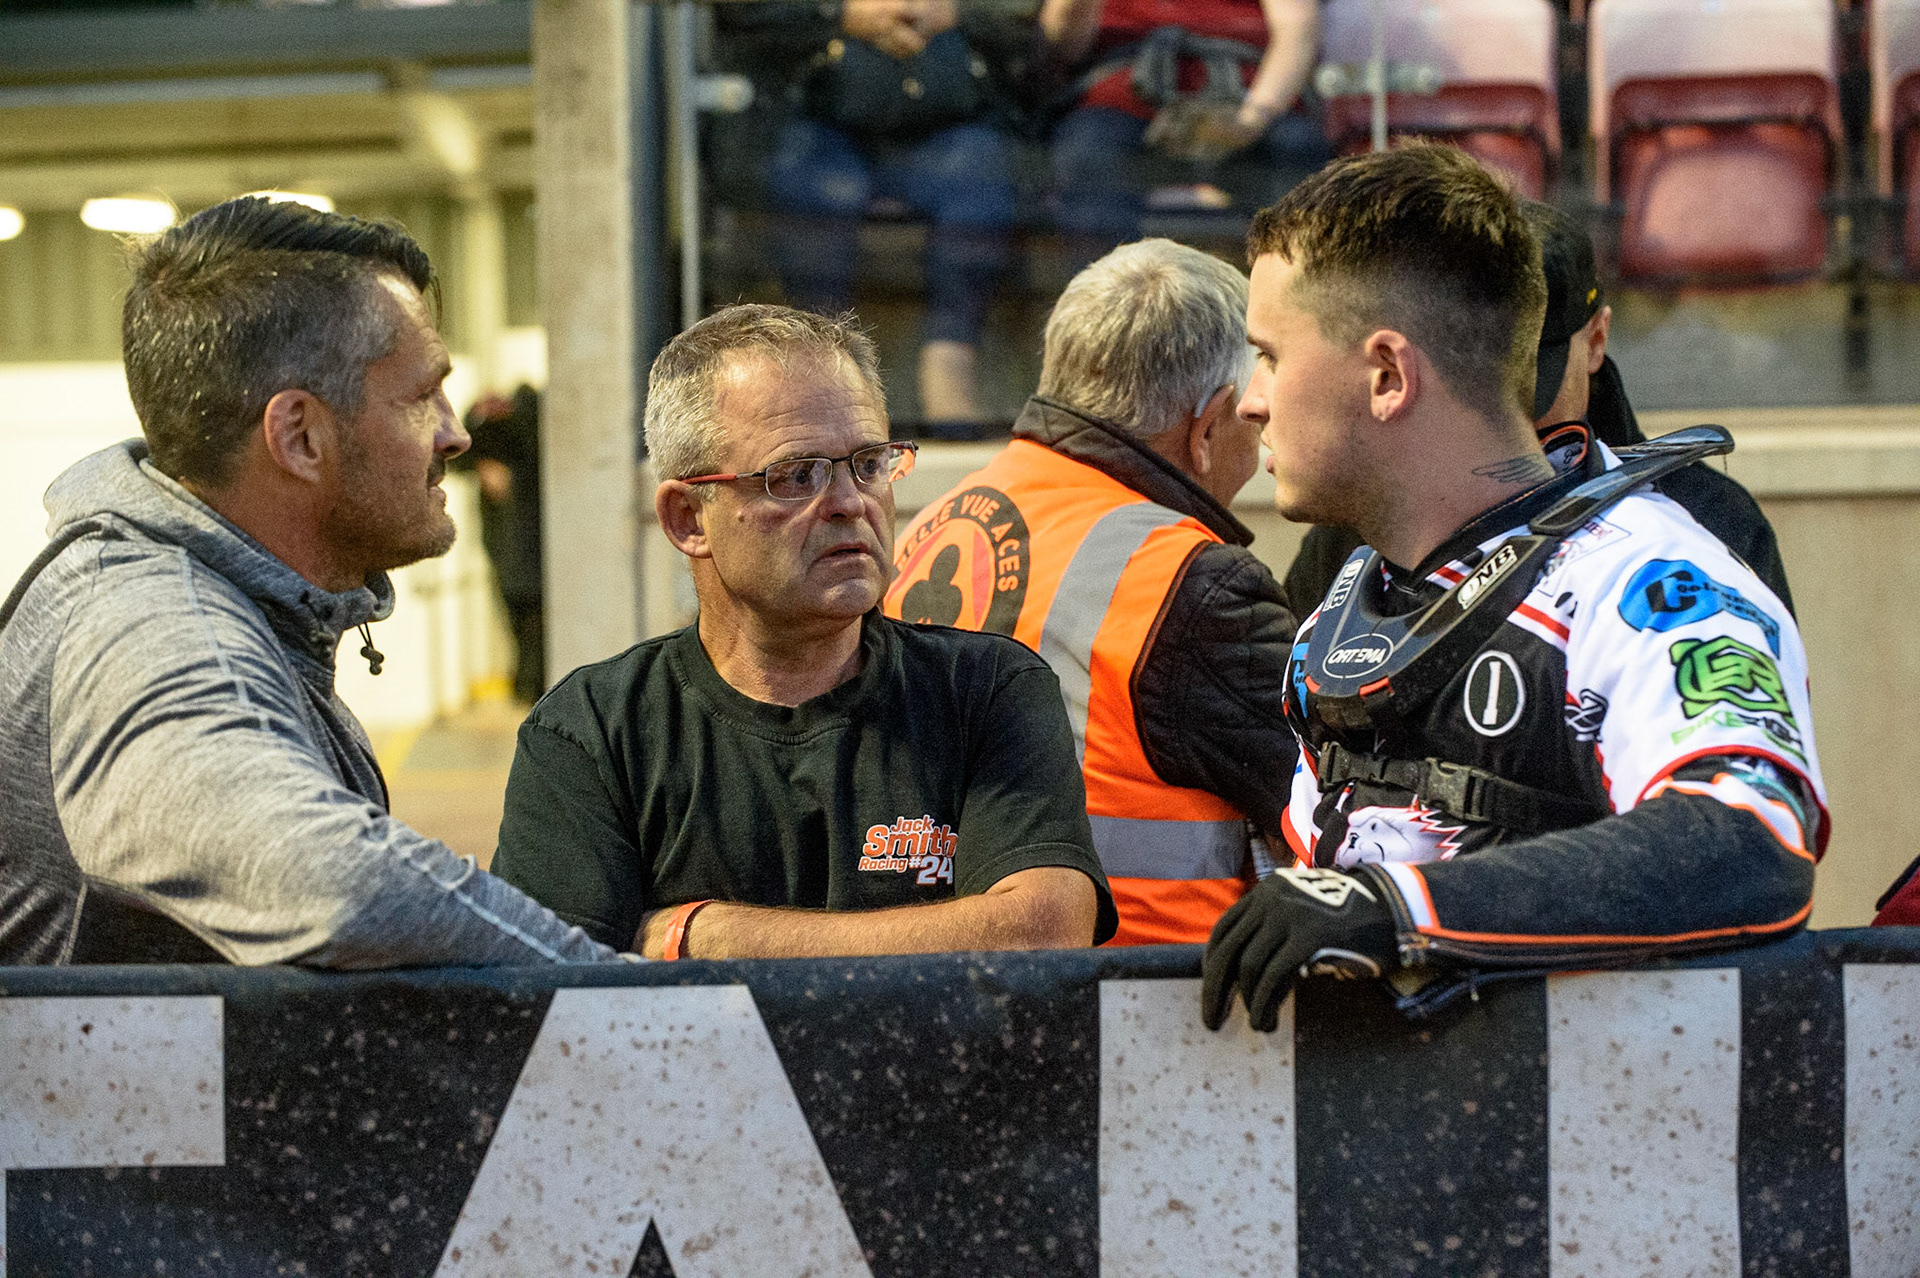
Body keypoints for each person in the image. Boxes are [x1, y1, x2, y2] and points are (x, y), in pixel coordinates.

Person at [1201, 146, 1827, 1031]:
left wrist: (1403, 909)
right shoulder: (1342, 606)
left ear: (1387, 375)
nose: (1250, 401)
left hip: (1611, 1151)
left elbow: (1752, 840)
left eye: (1268, 355)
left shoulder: (1647, 580)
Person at [0, 197, 619, 966]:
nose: (454, 433)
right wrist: (612, 994)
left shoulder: (222, 598)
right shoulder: (155, 625)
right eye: (421, 396)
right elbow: (334, 881)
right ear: (299, 436)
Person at [491, 305, 1115, 958]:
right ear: (687, 519)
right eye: (797, 476)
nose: (851, 502)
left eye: (869, 463)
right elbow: (556, 1007)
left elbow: (1044, 932)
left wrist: (705, 936)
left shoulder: (988, 692)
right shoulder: (593, 733)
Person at [883, 239, 1297, 946]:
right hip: (1153, 1008)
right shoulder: (1193, 585)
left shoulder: (930, 527)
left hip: (948, 976)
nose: (1261, 439)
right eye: (1250, 418)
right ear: (1205, 429)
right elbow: (1352, 817)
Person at [1281, 198, 1795, 619]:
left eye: (1528, 382)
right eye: (1470, 379)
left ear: (1596, 340)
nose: (1502, 417)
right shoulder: (1363, 525)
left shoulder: (1707, 519)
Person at [717, 0, 1040, 426]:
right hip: (820, 111)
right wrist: (842, 14)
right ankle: (820, 372)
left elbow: (1034, 22)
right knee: (815, 190)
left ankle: (950, 362)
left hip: (954, 117)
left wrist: (954, 12)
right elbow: (739, 14)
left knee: (980, 182)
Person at [1042, 0, 1330, 269]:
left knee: (1295, 148)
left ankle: (1291, 301)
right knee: (1088, 152)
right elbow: (1061, 48)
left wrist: (1254, 116)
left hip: (1247, 94)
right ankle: (1105, 304)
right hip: (1122, 95)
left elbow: (1297, 32)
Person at [457, 384, 546, 703]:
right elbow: (459, 453)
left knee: (532, 620)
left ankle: (531, 687)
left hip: (526, 552)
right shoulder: (492, 441)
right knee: (521, 620)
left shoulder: (531, 431)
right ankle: (528, 687)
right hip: (509, 551)